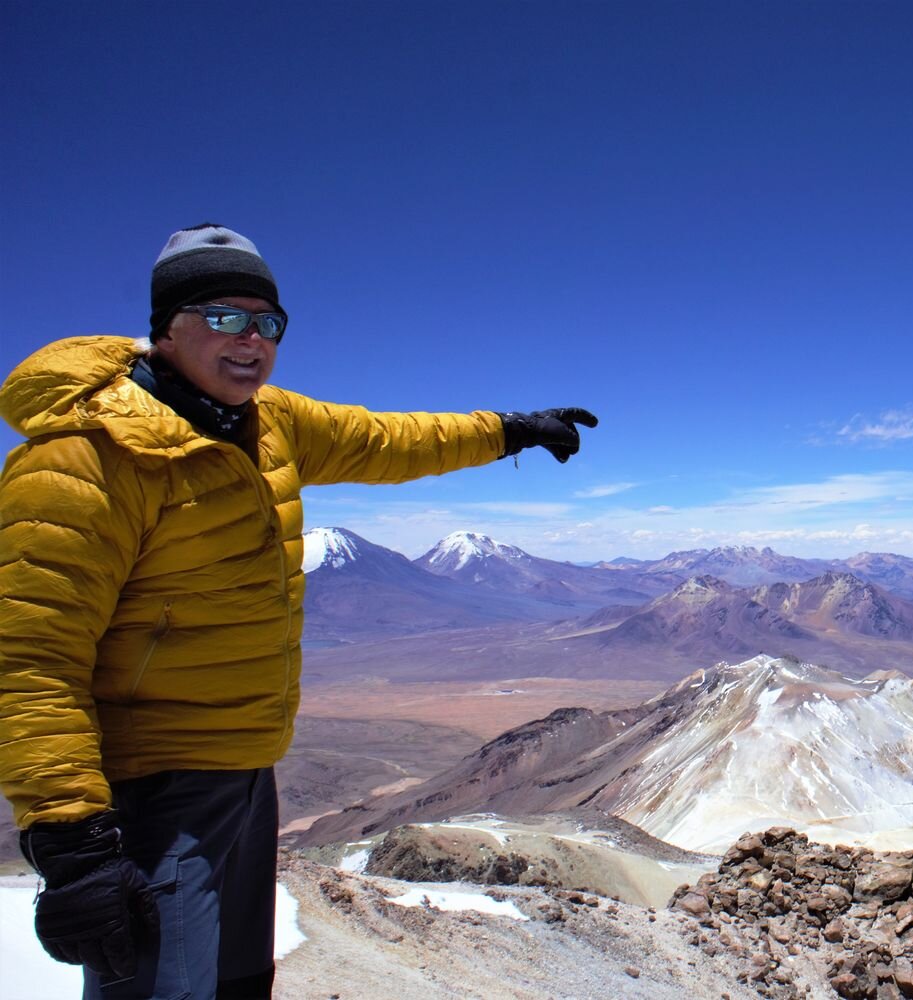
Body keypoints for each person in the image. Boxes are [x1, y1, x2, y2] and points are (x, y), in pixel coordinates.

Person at [0, 223, 597, 998]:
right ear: (164, 329)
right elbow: (30, 663)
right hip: (154, 786)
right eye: (224, 316)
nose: (251, 338)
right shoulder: (86, 458)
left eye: (267, 322)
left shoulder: (268, 422)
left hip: (247, 767)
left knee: (242, 981)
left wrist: (508, 430)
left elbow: (386, 440)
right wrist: (73, 843)